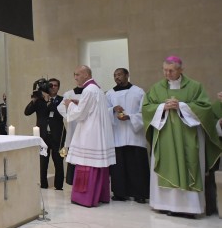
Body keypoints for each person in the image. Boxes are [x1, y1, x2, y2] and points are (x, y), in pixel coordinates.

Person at [142, 56, 221, 217]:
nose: (167, 73)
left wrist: (182, 106)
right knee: (166, 163)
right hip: (164, 137)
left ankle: (190, 208)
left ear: (181, 70)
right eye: (164, 70)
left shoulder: (195, 86)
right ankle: (164, 204)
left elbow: (205, 109)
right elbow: (146, 108)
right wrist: (162, 107)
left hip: (188, 136)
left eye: (171, 70)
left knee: (190, 165)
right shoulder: (157, 88)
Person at [62, 65, 116, 207]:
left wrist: (69, 105)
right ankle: (100, 196)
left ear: (86, 74)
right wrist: (78, 102)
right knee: (98, 165)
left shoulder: (88, 90)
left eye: (77, 74)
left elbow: (80, 114)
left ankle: (84, 198)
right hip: (99, 132)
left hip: (89, 133)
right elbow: (91, 107)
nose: (75, 77)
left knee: (86, 163)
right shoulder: (97, 89)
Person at [105, 68, 150, 203]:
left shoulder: (138, 92)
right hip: (117, 135)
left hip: (134, 135)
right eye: (115, 75)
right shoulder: (110, 94)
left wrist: (130, 117)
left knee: (136, 166)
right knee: (118, 167)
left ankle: (140, 194)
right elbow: (104, 112)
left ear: (127, 75)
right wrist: (112, 109)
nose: (117, 78)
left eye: (119, 75)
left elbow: (145, 112)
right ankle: (120, 193)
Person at [25, 78, 65, 190]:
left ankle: (59, 186)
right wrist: (34, 99)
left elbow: (60, 114)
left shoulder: (62, 100)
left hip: (58, 135)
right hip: (43, 136)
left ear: (58, 87)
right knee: (43, 162)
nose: (52, 87)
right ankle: (43, 185)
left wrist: (49, 102)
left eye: (55, 85)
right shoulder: (39, 100)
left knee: (58, 161)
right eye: (50, 85)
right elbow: (27, 112)